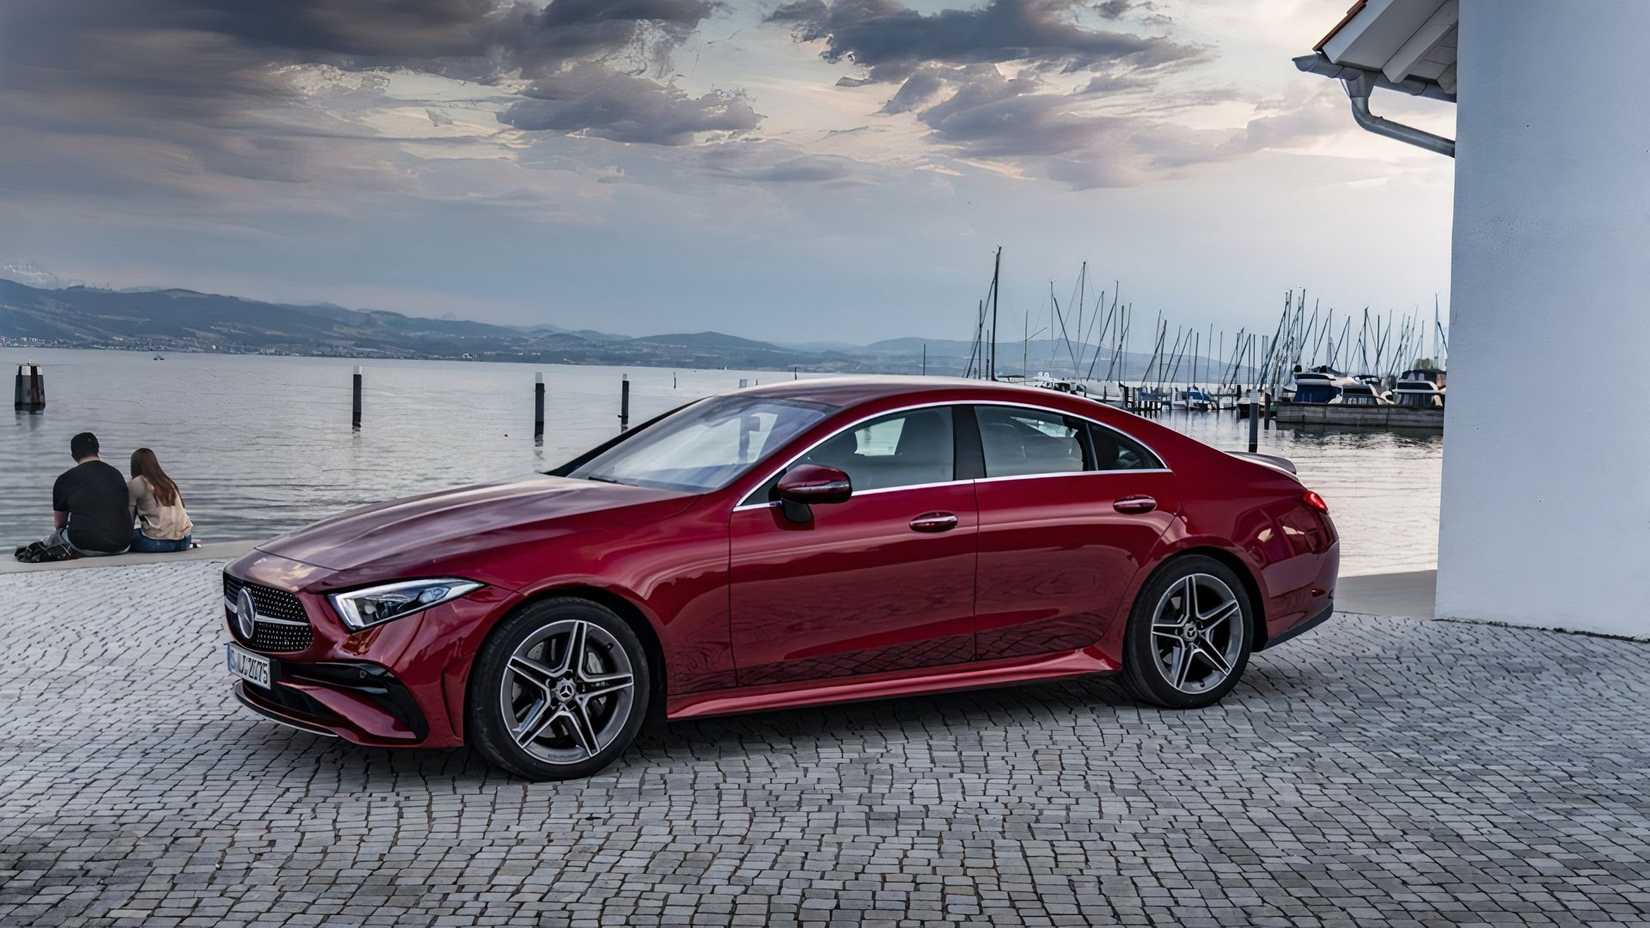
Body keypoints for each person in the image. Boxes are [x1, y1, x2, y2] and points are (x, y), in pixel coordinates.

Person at [40, 432, 130, 557]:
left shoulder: (65, 479)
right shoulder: (116, 474)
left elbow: (59, 524)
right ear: (98, 450)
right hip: (121, 545)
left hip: (83, 544)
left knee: (53, 537)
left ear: (73, 455)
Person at [128, 448, 194, 553]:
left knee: (129, 537)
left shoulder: (137, 483)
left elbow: (129, 519)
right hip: (184, 541)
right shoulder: (167, 482)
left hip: (157, 543)